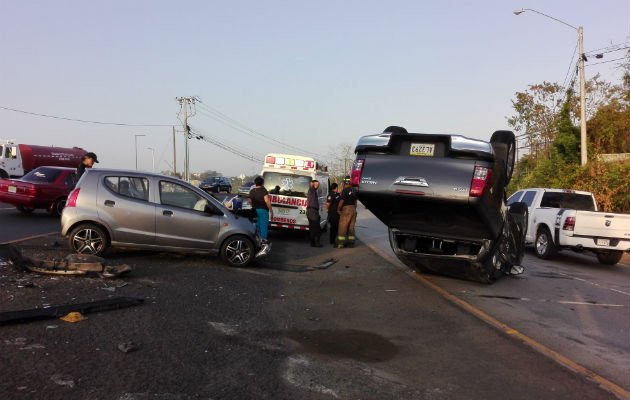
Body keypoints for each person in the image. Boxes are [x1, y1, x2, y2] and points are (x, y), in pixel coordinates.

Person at [249, 176, 273, 256]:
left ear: (255, 183)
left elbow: (249, 201)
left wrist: (253, 205)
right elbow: (267, 201)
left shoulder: (252, 191)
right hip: (263, 211)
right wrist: (271, 211)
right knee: (263, 227)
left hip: (255, 211)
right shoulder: (263, 191)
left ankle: (257, 243)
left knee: (257, 226)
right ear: (262, 183)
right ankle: (263, 245)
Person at [336, 176, 357, 248]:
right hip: (353, 209)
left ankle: (341, 243)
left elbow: (342, 201)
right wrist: (353, 209)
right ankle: (351, 243)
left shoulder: (345, 190)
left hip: (346, 209)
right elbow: (355, 201)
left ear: (345, 182)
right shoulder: (353, 190)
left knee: (343, 226)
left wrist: (338, 209)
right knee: (351, 227)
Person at [306, 179, 323, 247]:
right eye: (316, 184)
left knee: (313, 228)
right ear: (312, 184)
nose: (318, 186)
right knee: (316, 228)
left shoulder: (313, 191)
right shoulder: (311, 190)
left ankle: (313, 243)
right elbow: (314, 186)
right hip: (312, 211)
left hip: (312, 211)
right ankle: (316, 243)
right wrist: (313, 184)